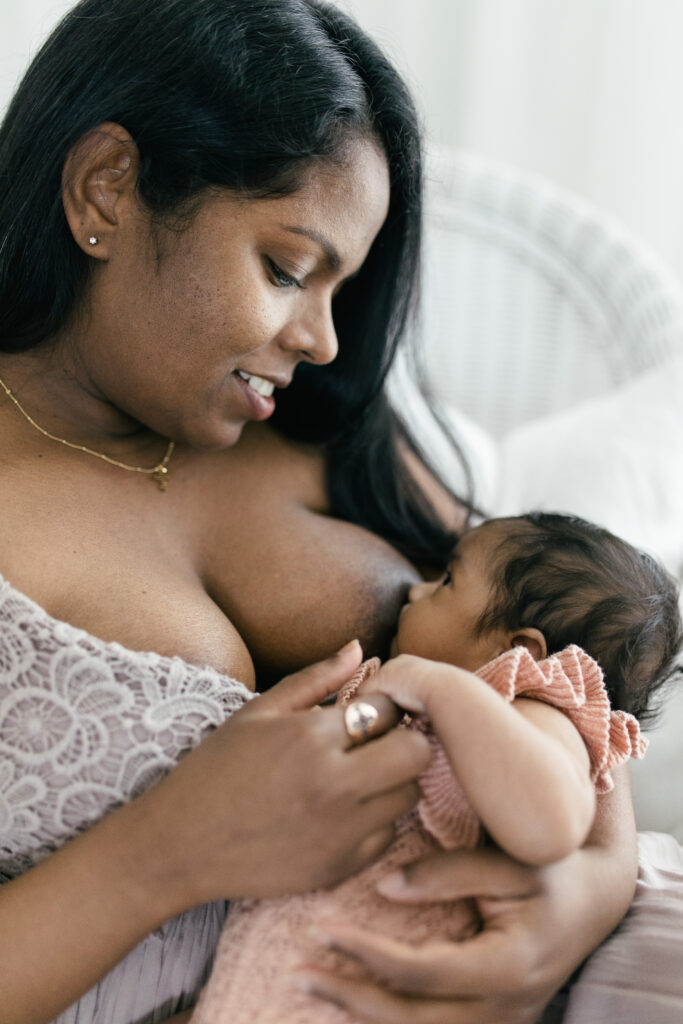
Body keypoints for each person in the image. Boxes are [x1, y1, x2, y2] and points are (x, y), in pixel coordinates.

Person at [0, 1, 646, 1022]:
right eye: (287, 268)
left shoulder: (318, 423)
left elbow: (563, 642)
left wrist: (589, 877)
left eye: (340, 287)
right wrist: (162, 852)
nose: (325, 340)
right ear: (106, 188)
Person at [190, 512, 681, 1023]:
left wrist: (436, 685)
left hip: (392, 982)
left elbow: (551, 826)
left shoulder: (535, 709)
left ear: (519, 652)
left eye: (447, 581)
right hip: (280, 964)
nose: (415, 593)